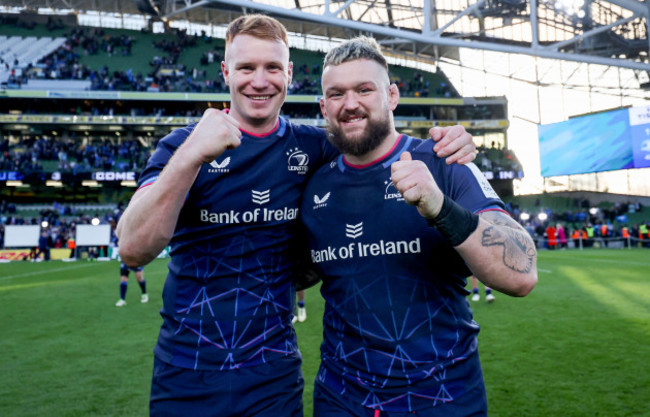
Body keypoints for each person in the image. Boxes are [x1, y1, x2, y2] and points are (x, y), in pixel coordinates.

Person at [116, 15, 476, 417]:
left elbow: (372, 140)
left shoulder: (314, 148)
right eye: (246, 67)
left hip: (274, 376)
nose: (259, 80)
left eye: (272, 67)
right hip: (186, 372)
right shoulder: (180, 145)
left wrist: (448, 142)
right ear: (225, 72)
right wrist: (191, 155)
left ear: (288, 73)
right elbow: (132, 248)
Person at [299, 36, 538, 416]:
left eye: (365, 89)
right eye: (337, 93)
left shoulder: (445, 161)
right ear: (323, 106)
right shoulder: (313, 184)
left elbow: (522, 275)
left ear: (391, 96)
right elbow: (304, 271)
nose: (351, 104)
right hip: (340, 400)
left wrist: (439, 206)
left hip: (442, 399)